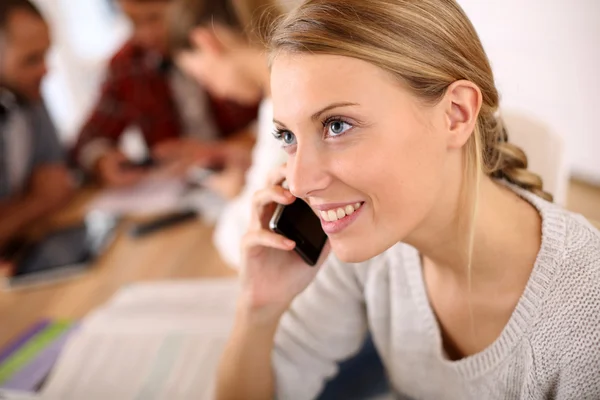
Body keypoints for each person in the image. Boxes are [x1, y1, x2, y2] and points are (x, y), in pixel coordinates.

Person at [215, 0, 600, 399]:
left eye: (337, 125)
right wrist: (257, 309)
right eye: (288, 137)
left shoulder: (586, 318)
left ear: (456, 114)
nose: (297, 183)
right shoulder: (372, 237)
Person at [72, 0, 259, 191]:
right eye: (134, 22)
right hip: (182, 197)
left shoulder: (237, 39)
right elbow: (87, 142)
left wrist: (216, 150)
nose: (145, 35)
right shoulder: (128, 64)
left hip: (247, 177)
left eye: (154, 18)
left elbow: (275, 119)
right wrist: (101, 161)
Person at [169, 0, 286, 268]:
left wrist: (235, 193)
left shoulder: (284, 106)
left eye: (203, 78)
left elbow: (246, 246)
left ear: (206, 42)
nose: (214, 91)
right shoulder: (284, 86)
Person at [0, 0, 74, 250]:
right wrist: (36, 203)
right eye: (31, 60)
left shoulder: (28, 96)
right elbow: (49, 194)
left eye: (45, 55)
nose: (45, 70)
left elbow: (57, 178)